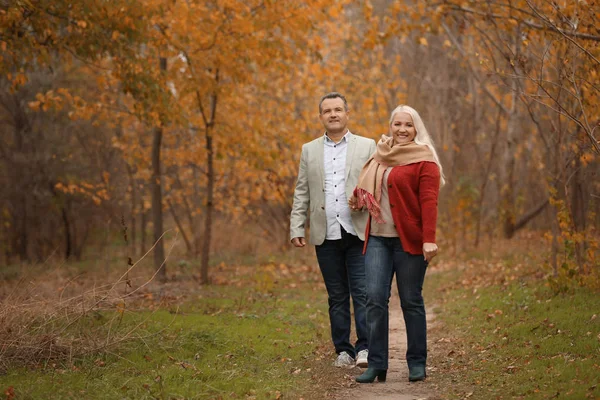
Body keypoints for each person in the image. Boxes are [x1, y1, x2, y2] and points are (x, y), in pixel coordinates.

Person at [350, 105, 445, 383]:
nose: (402, 130)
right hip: (378, 238)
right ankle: (377, 364)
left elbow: (429, 202)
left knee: (411, 301)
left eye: (408, 125)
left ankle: (417, 362)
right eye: (397, 124)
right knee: (375, 300)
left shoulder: (424, 159)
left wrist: (429, 239)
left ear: (417, 129)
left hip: (410, 242)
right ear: (390, 126)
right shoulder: (381, 154)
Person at [290, 92, 377, 368]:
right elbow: (302, 191)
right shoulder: (309, 150)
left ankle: (365, 348)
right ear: (321, 117)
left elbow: (377, 185)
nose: (333, 114)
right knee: (336, 295)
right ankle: (344, 350)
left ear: (347, 113)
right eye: (327, 111)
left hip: (358, 230)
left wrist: (368, 202)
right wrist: (296, 226)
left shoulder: (367, 145)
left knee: (362, 292)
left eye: (338, 109)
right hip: (324, 233)